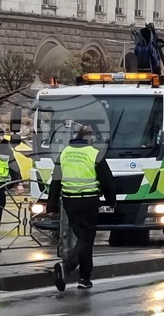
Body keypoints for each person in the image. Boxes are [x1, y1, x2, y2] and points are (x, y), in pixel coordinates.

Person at [48, 125, 116, 291]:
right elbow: (107, 181)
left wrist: (52, 205)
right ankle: (67, 266)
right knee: (86, 238)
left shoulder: (64, 153)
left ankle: (84, 278)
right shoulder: (94, 153)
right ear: (90, 138)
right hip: (88, 201)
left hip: (69, 201)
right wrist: (111, 201)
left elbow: (55, 181)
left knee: (83, 239)